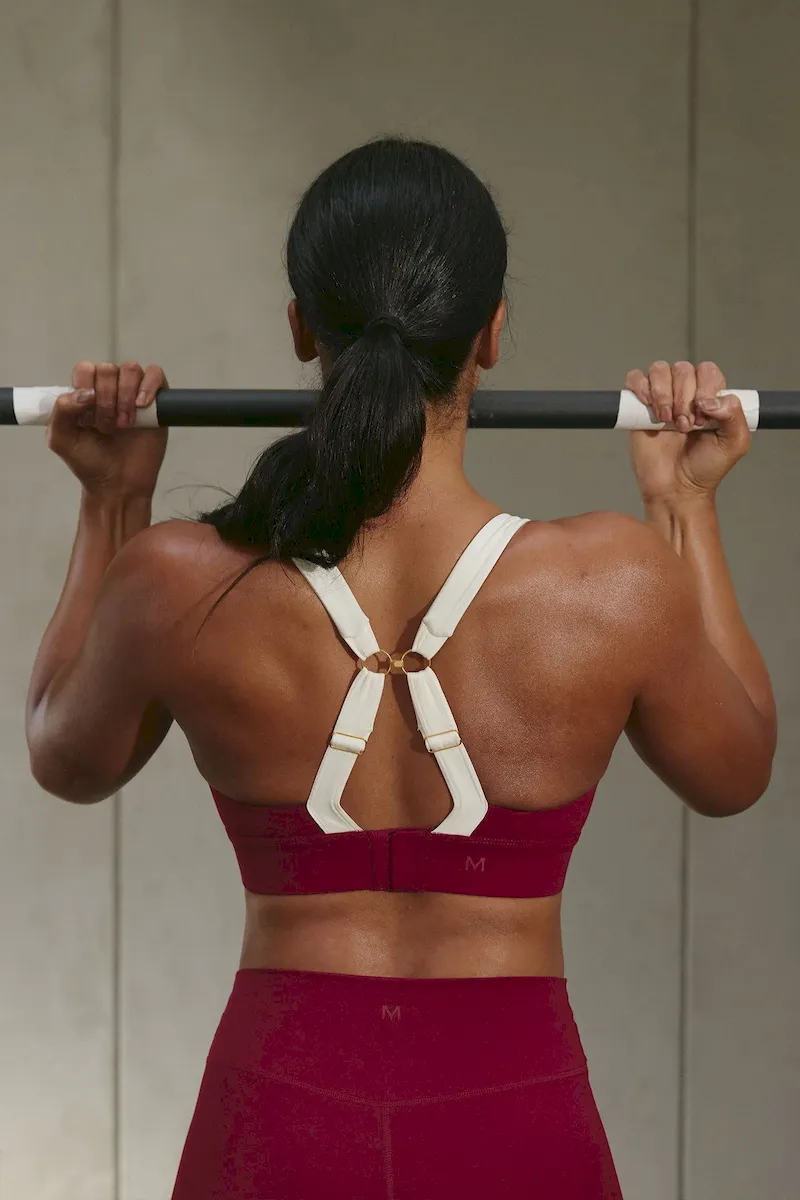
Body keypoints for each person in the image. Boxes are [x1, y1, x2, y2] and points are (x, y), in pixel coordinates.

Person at [26, 139, 776, 1200]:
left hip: (277, 1114)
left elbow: (64, 754)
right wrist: (682, 505)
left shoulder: (175, 579)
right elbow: (736, 768)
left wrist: (111, 501)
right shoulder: (611, 580)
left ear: (302, 327)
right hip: (514, 1114)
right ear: (491, 335)